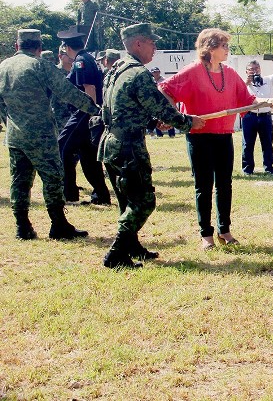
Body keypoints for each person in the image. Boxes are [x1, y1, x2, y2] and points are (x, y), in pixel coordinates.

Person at [160, 28, 273, 250]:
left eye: (227, 45)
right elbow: (165, 90)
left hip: (224, 136)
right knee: (204, 185)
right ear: (209, 48)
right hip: (199, 137)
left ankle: (224, 230)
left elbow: (248, 99)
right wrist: (177, 117)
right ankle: (206, 235)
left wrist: (269, 101)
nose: (227, 49)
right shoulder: (192, 71)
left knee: (225, 185)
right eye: (223, 45)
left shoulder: (230, 73)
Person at [99, 23, 206, 268]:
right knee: (143, 201)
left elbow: (123, 107)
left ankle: (132, 246)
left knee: (127, 199)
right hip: (128, 146)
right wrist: (188, 122)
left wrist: (153, 122)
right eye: (151, 42)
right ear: (138, 43)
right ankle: (116, 252)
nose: (155, 47)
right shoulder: (138, 73)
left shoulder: (116, 69)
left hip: (110, 142)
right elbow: (161, 106)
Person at [0, 29, 99, 240]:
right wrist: (96, 109)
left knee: (19, 181)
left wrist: (9, 122)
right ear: (39, 48)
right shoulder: (39, 65)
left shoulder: (3, 66)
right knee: (53, 178)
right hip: (41, 135)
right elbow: (67, 91)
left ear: (17, 46)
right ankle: (58, 225)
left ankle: (22, 227)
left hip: (15, 135)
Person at [57, 26, 112, 205]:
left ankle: (69, 194)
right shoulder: (88, 58)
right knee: (88, 155)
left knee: (63, 148)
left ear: (67, 47)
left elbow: (90, 89)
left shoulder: (81, 60)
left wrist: (91, 114)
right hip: (87, 113)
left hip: (83, 113)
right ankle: (101, 196)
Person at [242, 56, 273, 175]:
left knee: (267, 143)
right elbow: (238, 94)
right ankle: (247, 169)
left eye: (256, 68)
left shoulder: (268, 80)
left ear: (260, 69)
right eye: (251, 69)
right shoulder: (243, 84)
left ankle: (269, 168)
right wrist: (246, 83)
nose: (254, 71)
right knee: (248, 144)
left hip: (265, 116)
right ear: (246, 71)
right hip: (249, 116)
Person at [149, 67, 175, 137]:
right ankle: (159, 134)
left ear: (159, 72)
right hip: (156, 102)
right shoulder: (150, 81)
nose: (156, 73)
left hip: (165, 101)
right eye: (154, 72)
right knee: (157, 118)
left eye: (157, 72)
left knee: (168, 116)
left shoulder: (164, 80)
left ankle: (171, 134)